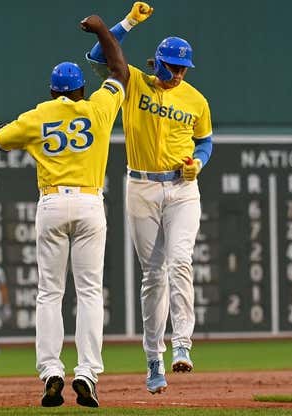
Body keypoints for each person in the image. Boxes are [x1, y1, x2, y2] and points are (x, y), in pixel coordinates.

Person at [0, 15, 129, 408]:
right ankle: (87, 373)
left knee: (49, 293)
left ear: (52, 92)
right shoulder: (98, 108)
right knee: (89, 293)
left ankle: (51, 371)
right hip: (88, 202)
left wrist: (32, 134)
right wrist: (104, 30)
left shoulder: (38, 116)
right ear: (82, 89)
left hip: (51, 203)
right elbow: (119, 71)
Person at [85, 2, 214, 394]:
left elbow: (205, 141)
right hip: (141, 186)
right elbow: (96, 58)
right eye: (172, 66)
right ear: (156, 62)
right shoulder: (135, 81)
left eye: (182, 68)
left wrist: (199, 164)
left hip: (181, 188)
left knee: (180, 261)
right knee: (153, 275)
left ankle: (183, 345)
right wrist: (126, 23)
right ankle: (153, 359)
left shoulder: (195, 99)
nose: (177, 74)